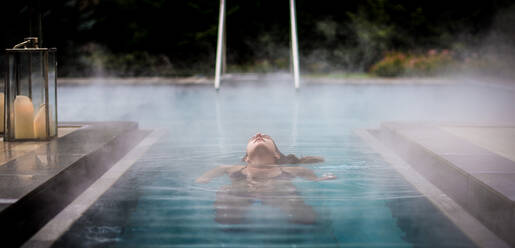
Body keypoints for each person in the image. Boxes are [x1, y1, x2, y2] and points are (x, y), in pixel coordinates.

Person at [196, 133, 335, 224]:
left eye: (266, 137)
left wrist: (321, 179)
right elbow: (209, 176)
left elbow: (311, 176)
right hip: (242, 191)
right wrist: (207, 181)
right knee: (227, 207)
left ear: (277, 155)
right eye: (252, 138)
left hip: (278, 192)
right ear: (246, 158)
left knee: (302, 214)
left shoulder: (291, 169)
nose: (258, 135)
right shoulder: (231, 168)